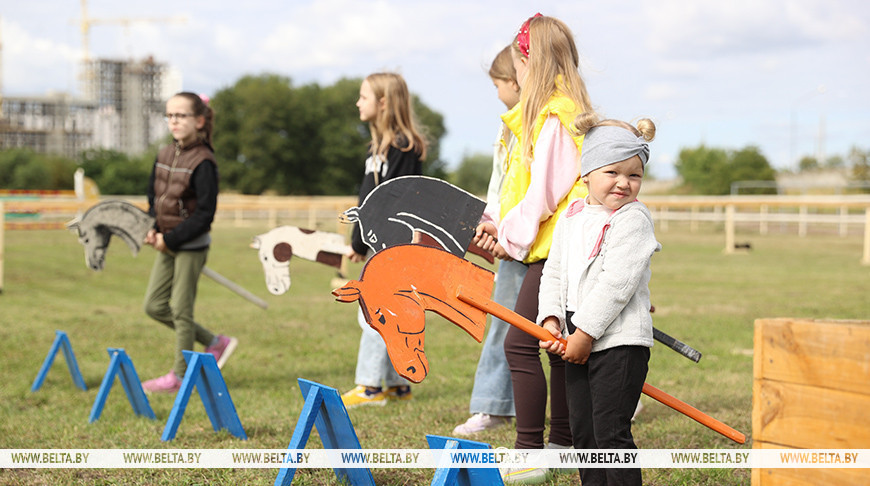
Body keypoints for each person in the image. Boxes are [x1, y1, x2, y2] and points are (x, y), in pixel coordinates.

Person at [475, 14, 593, 483]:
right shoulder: (555, 114)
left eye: (518, 64)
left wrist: (508, 238)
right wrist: (498, 226)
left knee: (520, 344)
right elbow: (523, 193)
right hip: (556, 248)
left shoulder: (555, 118)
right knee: (555, 346)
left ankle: (530, 450)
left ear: (529, 63)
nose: (517, 74)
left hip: (561, 252)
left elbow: (544, 194)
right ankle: (562, 443)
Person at [538, 114, 660, 486]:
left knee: (610, 433)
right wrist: (551, 320)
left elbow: (616, 285)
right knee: (585, 434)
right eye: (613, 172)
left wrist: (584, 334)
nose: (624, 183)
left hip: (618, 342)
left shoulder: (633, 219)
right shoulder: (572, 217)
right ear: (586, 174)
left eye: (634, 175)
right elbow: (554, 272)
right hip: (576, 336)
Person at [141, 92, 237, 394]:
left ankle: (180, 377)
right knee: (154, 306)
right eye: (170, 115)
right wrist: (152, 228)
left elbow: (204, 216)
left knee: (181, 311)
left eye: (181, 115)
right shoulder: (164, 153)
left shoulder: (205, 162)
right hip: (166, 243)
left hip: (191, 245)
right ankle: (214, 342)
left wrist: (169, 239)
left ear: (198, 120)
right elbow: (154, 198)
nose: (174, 121)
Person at [341, 73, 427, 408]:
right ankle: (395, 385)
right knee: (390, 309)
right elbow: (366, 199)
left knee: (374, 311)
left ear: (383, 103)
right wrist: (359, 241)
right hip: (377, 240)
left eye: (363, 97)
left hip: (394, 242)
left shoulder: (404, 146)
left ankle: (370, 386)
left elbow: (389, 199)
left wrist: (366, 240)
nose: (357, 103)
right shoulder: (376, 148)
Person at [453, 46, 525, 436]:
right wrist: (490, 224)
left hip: (537, 243)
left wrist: (511, 233)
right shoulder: (506, 129)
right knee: (504, 323)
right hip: (510, 241)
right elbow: (500, 189)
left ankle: (619, 399)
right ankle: (492, 405)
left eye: (498, 84)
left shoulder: (544, 125)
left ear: (515, 81)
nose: (497, 92)